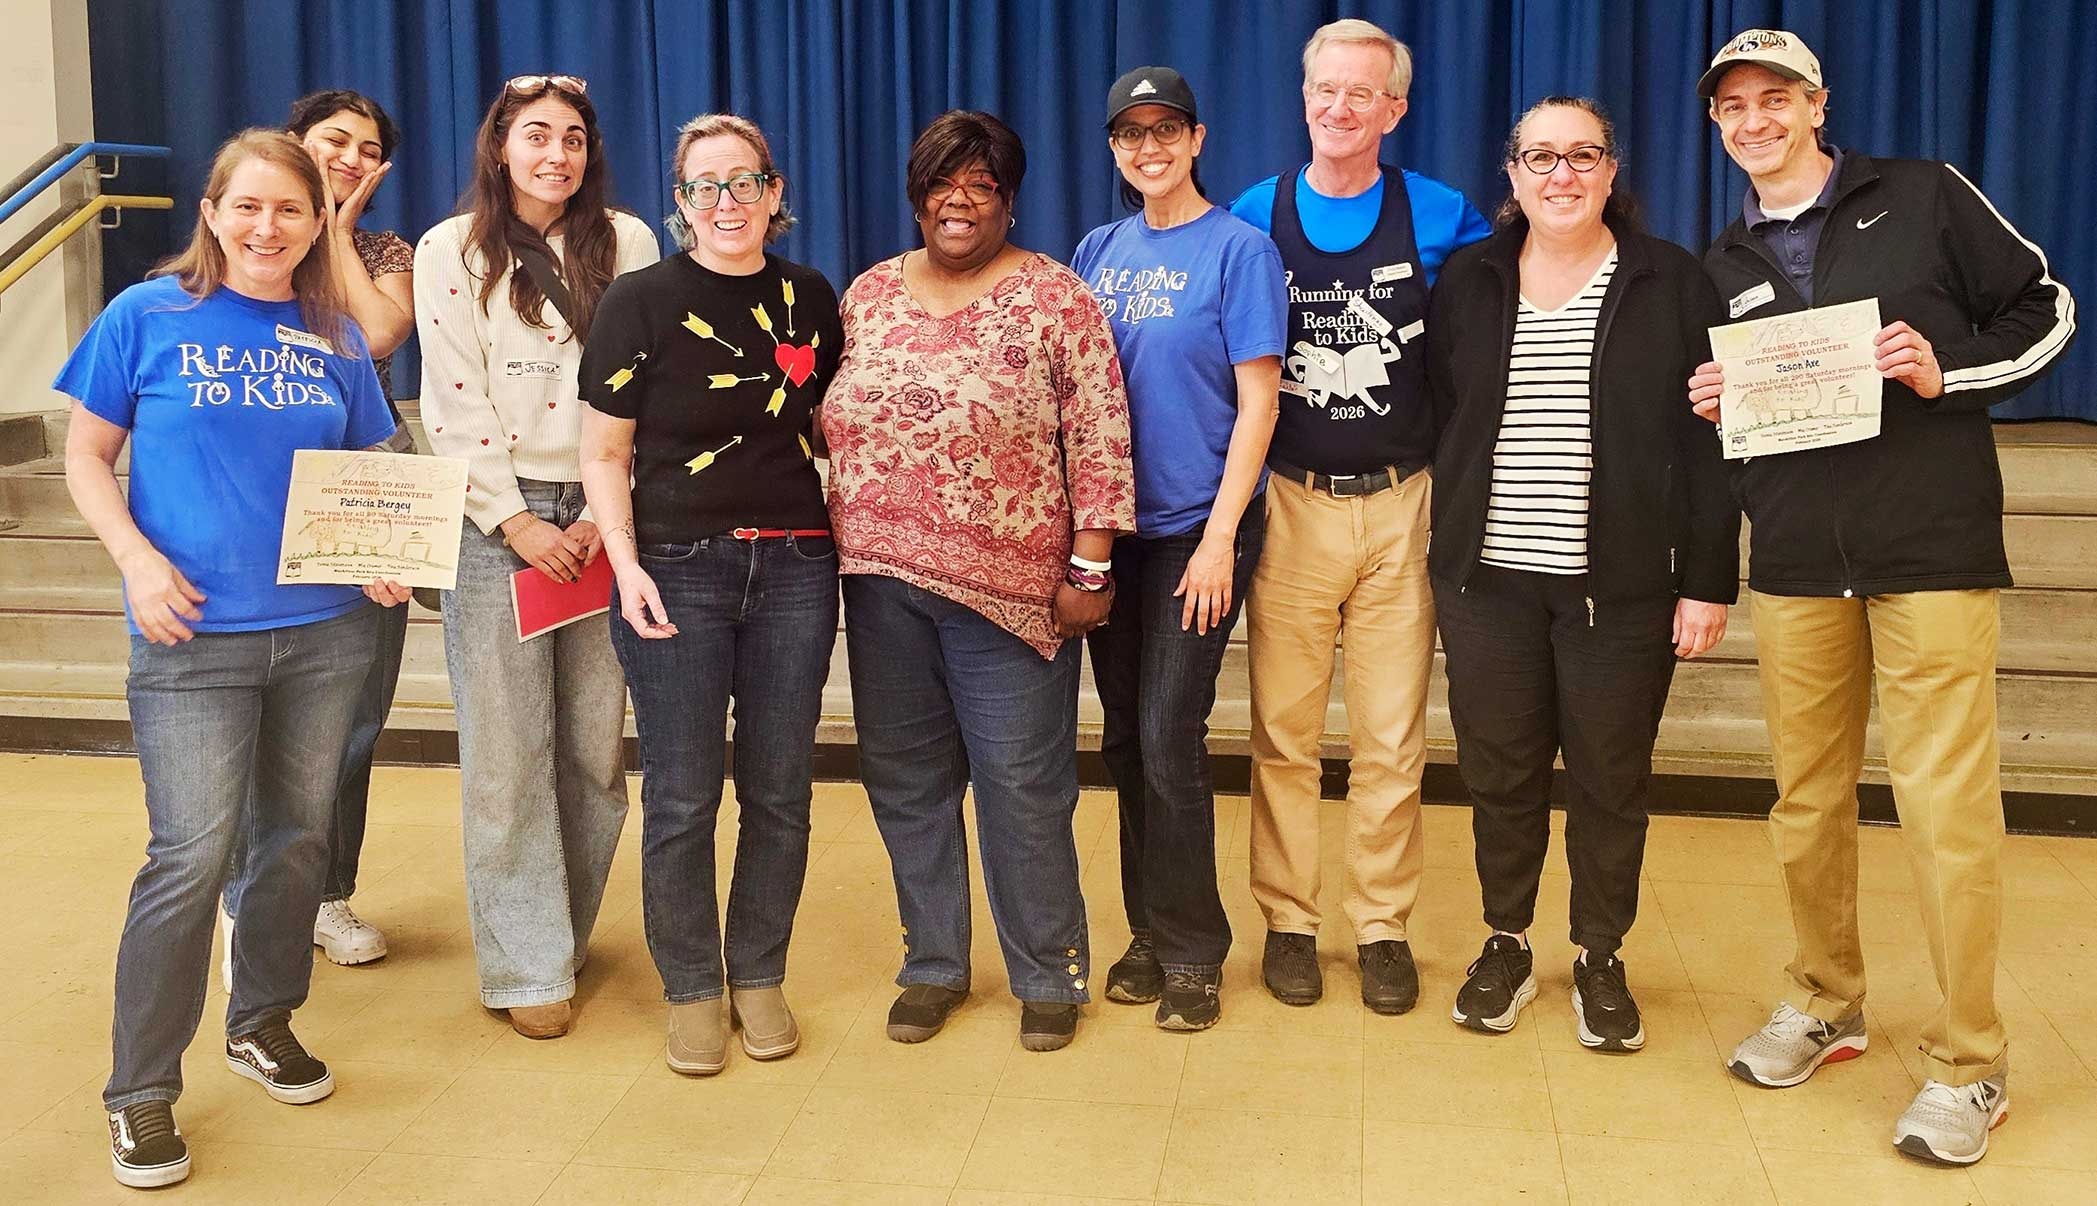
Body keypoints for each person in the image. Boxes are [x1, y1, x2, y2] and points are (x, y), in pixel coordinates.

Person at [1686, 29, 2075, 1164]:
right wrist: (1714, 401)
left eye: (1774, 98)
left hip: (1930, 552)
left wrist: (1946, 373)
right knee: (1805, 803)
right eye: (1732, 107)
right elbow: (1725, 433)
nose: (1754, 121)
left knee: (1947, 814)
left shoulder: (1922, 193)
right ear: (1716, 125)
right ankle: (1826, 999)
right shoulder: (1722, 261)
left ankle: (1969, 1063)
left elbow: (2045, 308)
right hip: (1799, 562)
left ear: (1817, 103)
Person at [56, 129, 398, 1188]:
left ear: (317, 222)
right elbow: (86, 456)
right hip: (190, 635)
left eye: (290, 209)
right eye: (247, 206)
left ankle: (261, 1021)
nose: (267, 227)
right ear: (211, 213)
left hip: (327, 630)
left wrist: (384, 554)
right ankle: (140, 1091)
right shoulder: (146, 315)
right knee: (189, 858)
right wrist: (136, 560)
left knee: (296, 841)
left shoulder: (336, 334)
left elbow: (369, 461)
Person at [1425, 97, 1737, 1051]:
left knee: (1609, 781)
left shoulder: (1671, 282)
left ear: (1611, 171)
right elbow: (1442, 416)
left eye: (1582, 155)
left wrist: (1708, 580)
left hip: (1623, 589)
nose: (1561, 175)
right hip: (1487, 586)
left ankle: (1600, 953)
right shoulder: (1470, 280)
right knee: (1499, 774)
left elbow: (1712, 440)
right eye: (1541, 157)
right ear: (1511, 174)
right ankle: (1506, 942)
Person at [823, 110, 1134, 1054]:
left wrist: (1091, 566)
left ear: (1008, 199)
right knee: (907, 783)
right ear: (917, 197)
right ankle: (933, 965)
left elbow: (1100, 435)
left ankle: (1048, 972)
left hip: (1012, 596)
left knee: (1023, 789)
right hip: (879, 585)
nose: (958, 201)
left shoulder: (1056, 298)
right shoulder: (868, 294)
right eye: (941, 184)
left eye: (981, 185)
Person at [1228, 17, 1490, 1014]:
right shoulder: (1255, 213)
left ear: (1394, 109)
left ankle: (1382, 926)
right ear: (1304, 99)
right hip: (1292, 502)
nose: (1340, 107)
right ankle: (1290, 922)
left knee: (1389, 738)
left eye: (1362, 93)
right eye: (1325, 89)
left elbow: (1503, 323)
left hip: (1401, 505)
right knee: (1284, 736)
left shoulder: (1442, 212)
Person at [578, 113, 842, 1075]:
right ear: (680, 202)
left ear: (775, 194)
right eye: (704, 186)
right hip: (675, 569)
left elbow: (828, 426)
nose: (726, 202)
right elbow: (603, 452)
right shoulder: (638, 301)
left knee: (779, 792)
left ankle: (759, 973)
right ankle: (692, 986)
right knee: (683, 797)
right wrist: (627, 564)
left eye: (743, 182)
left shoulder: (811, 297)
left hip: (797, 568)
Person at [411, 73, 660, 1039]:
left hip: (604, 510)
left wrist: (604, 509)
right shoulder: (450, 248)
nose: (556, 154)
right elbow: (451, 396)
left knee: (594, 754)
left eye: (573, 138)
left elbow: (649, 379)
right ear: (500, 145)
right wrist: (517, 523)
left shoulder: (628, 242)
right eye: (536, 135)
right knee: (507, 757)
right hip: (495, 523)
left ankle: (559, 931)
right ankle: (524, 965)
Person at [1070, 67, 1285, 1031]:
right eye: (1130, 134)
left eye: (1166, 130)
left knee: (1167, 735)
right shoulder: (1097, 249)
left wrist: (1219, 540)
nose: (1148, 148)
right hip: (1110, 533)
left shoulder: (1239, 248)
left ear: (1197, 139)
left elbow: (1259, 403)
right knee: (1123, 739)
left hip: (1196, 532)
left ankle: (1195, 948)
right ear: (1114, 149)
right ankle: (1148, 932)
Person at [220, 89, 416, 984]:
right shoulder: (247, 239)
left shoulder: (384, 252)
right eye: (335, 140)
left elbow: (375, 332)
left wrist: (335, 226)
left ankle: (326, 894)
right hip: (257, 483)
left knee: (354, 714)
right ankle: (245, 897)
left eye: (368, 150)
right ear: (291, 141)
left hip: (362, 476)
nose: (351, 157)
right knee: (249, 713)